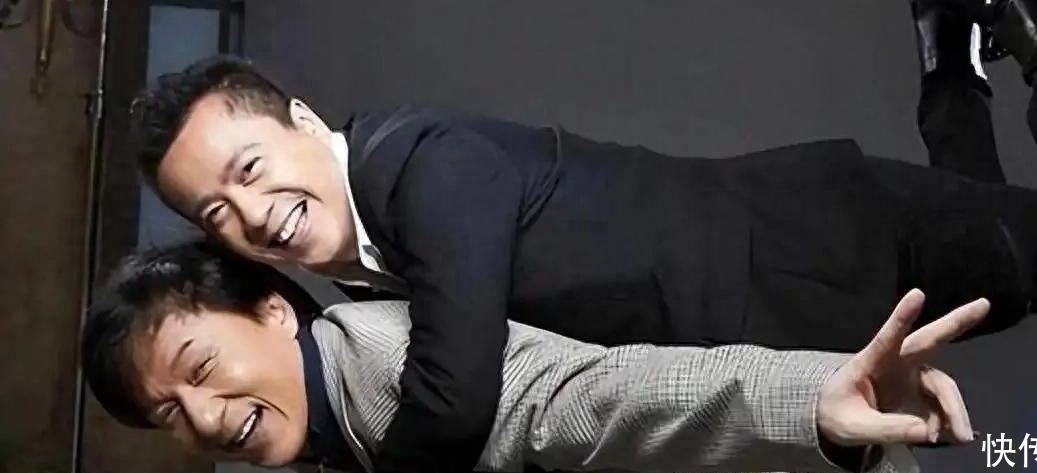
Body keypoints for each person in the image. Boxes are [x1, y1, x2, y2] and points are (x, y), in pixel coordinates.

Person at [130, 0, 1037, 473]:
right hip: (820, 305)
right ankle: (947, 31)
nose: (250, 213)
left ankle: (1035, 16)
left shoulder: (419, 166)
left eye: (251, 167)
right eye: (214, 211)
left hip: (834, 243)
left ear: (303, 119)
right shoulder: (363, 277)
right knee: (1008, 250)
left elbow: (457, 402)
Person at [82, 242, 990, 473]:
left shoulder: (393, 360)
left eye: (199, 369)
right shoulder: (328, 423)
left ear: (274, 310)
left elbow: (588, 399)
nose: (203, 417)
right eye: (168, 412)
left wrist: (808, 398)